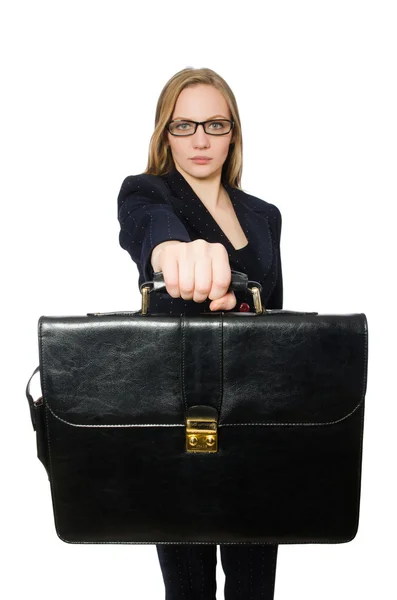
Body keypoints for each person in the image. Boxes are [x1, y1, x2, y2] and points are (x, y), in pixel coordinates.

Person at [117, 67, 283, 600]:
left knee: (255, 583)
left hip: (255, 417)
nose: (201, 139)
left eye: (215, 124)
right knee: (188, 587)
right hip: (180, 418)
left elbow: (274, 315)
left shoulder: (264, 215)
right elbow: (149, 229)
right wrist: (176, 253)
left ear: (233, 131)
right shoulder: (147, 193)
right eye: (184, 126)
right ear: (165, 134)